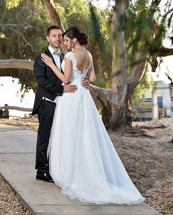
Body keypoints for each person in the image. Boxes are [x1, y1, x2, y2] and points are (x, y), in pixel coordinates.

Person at [41, 26, 144, 204]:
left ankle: (70, 173)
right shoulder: (88, 55)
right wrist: (86, 80)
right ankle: (87, 170)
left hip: (71, 97)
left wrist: (50, 65)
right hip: (83, 95)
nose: (64, 43)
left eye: (66, 40)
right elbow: (93, 77)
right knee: (86, 133)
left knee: (70, 134)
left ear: (73, 40)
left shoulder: (69, 56)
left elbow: (65, 80)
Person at [32, 26, 89, 183]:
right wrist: (61, 88)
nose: (57, 39)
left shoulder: (67, 55)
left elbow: (70, 75)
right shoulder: (41, 58)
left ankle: (54, 169)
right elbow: (41, 82)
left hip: (63, 103)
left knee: (60, 136)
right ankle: (41, 170)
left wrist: (85, 80)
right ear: (48, 38)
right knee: (44, 137)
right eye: (54, 36)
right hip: (47, 101)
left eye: (59, 36)